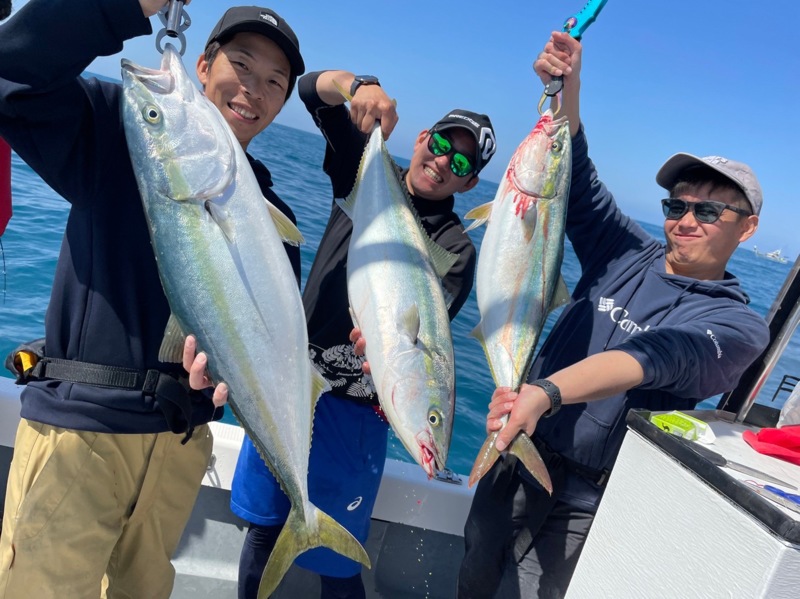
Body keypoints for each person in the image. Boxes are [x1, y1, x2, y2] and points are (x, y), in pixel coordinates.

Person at [0, 1, 304, 597]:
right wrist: (121, 6)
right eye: (241, 65)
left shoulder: (274, 216)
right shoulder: (118, 130)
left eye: (275, 82)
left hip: (181, 449)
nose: (254, 89)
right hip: (84, 434)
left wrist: (219, 380)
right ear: (203, 65)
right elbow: (13, 72)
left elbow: (267, 340)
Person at [457, 31, 770, 599]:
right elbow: (574, 178)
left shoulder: (739, 328)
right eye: (676, 205)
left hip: (587, 501)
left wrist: (544, 392)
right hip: (515, 451)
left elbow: (653, 357)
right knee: (474, 577)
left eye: (709, 210)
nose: (686, 220)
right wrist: (567, 87)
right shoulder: (623, 252)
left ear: (746, 228)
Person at [229, 70, 497, 598]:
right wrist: (360, 87)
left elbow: (416, 341)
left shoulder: (456, 249)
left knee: (338, 561)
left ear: (469, 185)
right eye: (442, 145)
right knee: (262, 530)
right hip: (288, 383)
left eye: (462, 164)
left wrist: (383, 345)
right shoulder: (364, 170)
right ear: (422, 138)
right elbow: (311, 92)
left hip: (354, 415)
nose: (444, 162)